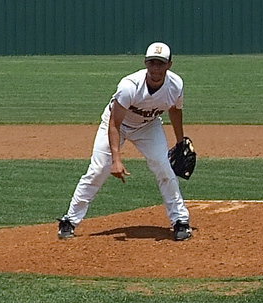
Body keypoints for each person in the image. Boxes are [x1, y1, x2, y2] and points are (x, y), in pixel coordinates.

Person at [58, 42, 192, 242]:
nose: (156, 69)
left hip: (148, 126)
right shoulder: (129, 86)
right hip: (116, 126)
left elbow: (175, 110)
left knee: (164, 167)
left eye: (160, 64)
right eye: (152, 63)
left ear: (169, 65)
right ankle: (70, 220)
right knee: (98, 170)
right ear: (145, 63)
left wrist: (180, 141)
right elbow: (114, 123)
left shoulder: (176, 85)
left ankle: (180, 221)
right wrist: (116, 160)